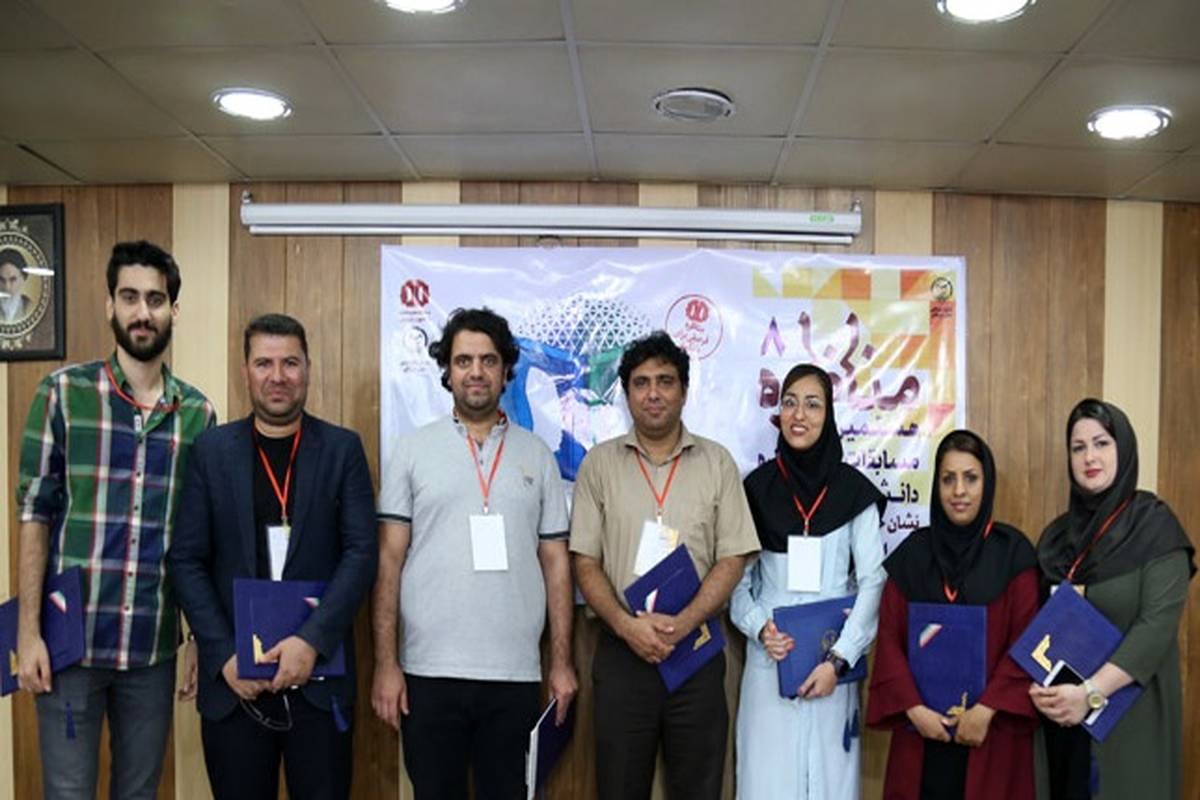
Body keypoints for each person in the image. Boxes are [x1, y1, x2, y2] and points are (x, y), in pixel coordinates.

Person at [15, 240, 214, 799]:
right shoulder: (63, 394)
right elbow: (34, 516)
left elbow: (198, 541)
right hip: (70, 644)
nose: (142, 312)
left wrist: (198, 636)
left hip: (152, 647)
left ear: (174, 309)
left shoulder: (198, 414)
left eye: (155, 299)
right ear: (110, 306)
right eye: (130, 297)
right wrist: (28, 633)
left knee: (139, 793)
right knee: (68, 793)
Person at [169, 313, 377, 799]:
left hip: (319, 680)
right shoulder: (211, 452)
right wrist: (223, 654)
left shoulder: (342, 450)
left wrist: (312, 640)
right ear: (245, 370)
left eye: (290, 363)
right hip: (235, 683)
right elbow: (185, 560)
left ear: (308, 369)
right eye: (264, 363)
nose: (277, 376)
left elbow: (361, 552)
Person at [372, 307, 576, 800]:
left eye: (488, 360)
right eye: (464, 360)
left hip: (514, 674)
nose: (476, 372)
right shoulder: (412, 450)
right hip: (428, 673)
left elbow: (556, 564)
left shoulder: (537, 455)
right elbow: (389, 562)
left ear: (507, 370)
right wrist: (385, 663)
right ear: (447, 370)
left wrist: (561, 663)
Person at [570, 331, 760, 800]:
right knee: (619, 787)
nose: (653, 393)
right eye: (641, 383)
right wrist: (627, 626)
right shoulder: (599, 465)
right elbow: (585, 562)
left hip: (696, 650)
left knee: (698, 788)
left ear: (684, 390)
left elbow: (732, 557)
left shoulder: (717, 463)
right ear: (626, 393)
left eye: (665, 381)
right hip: (621, 652)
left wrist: (684, 622)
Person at [730, 363, 886, 800]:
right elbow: (736, 584)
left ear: (828, 414)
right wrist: (760, 628)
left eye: (813, 404)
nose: (799, 415)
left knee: (829, 782)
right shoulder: (756, 490)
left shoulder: (854, 492)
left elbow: (873, 581)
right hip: (770, 660)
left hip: (832, 665)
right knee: (766, 781)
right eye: (790, 403)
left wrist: (840, 658)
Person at [1031, 399, 1194, 800]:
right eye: (1078, 447)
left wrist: (1090, 693)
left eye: (1101, 443)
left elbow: (1154, 630)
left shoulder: (1155, 527)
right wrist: (1037, 683)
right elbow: (1042, 628)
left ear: (1124, 448)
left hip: (1129, 721)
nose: (1090, 457)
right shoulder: (1056, 539)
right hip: (1063, 724)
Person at [868, 429, 1039, 800]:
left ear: (987, 483)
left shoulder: (1013, 555)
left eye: (971, 478)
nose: (959, 491)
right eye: (948, 479)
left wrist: (986, 710)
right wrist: (915, 710)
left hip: (990, 736)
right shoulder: (913, 554)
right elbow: (890, 640)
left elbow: (1027, 643)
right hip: (921, 737)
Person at [0, 247, 34, 322]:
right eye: (1, 280)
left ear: (23, 279)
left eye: (13, 280)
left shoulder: (29, 306)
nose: (7, 287)